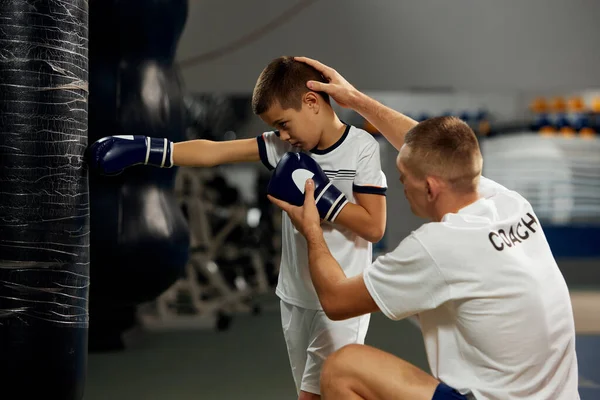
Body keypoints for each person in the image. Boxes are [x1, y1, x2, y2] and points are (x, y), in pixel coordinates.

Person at [266, 56, 580, 400]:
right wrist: (355, 100)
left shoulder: (438, 246)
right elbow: (433, 149)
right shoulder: (508, 203)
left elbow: (337, 301)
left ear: (430, 188)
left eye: (403, 180)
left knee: (343, 368)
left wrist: (312, 229)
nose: (401, 187)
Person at [87, 56, 388, 400]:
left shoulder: (360, 148)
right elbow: (216, 152)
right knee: (311, 394)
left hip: (341, 296)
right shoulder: (283, 146)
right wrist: (147, 150)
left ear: (311, 102)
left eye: (285, 123)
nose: (284, 134)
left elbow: (374, 226)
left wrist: (324, 198)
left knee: (325, 393)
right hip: (295, 295)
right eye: (278, 128)